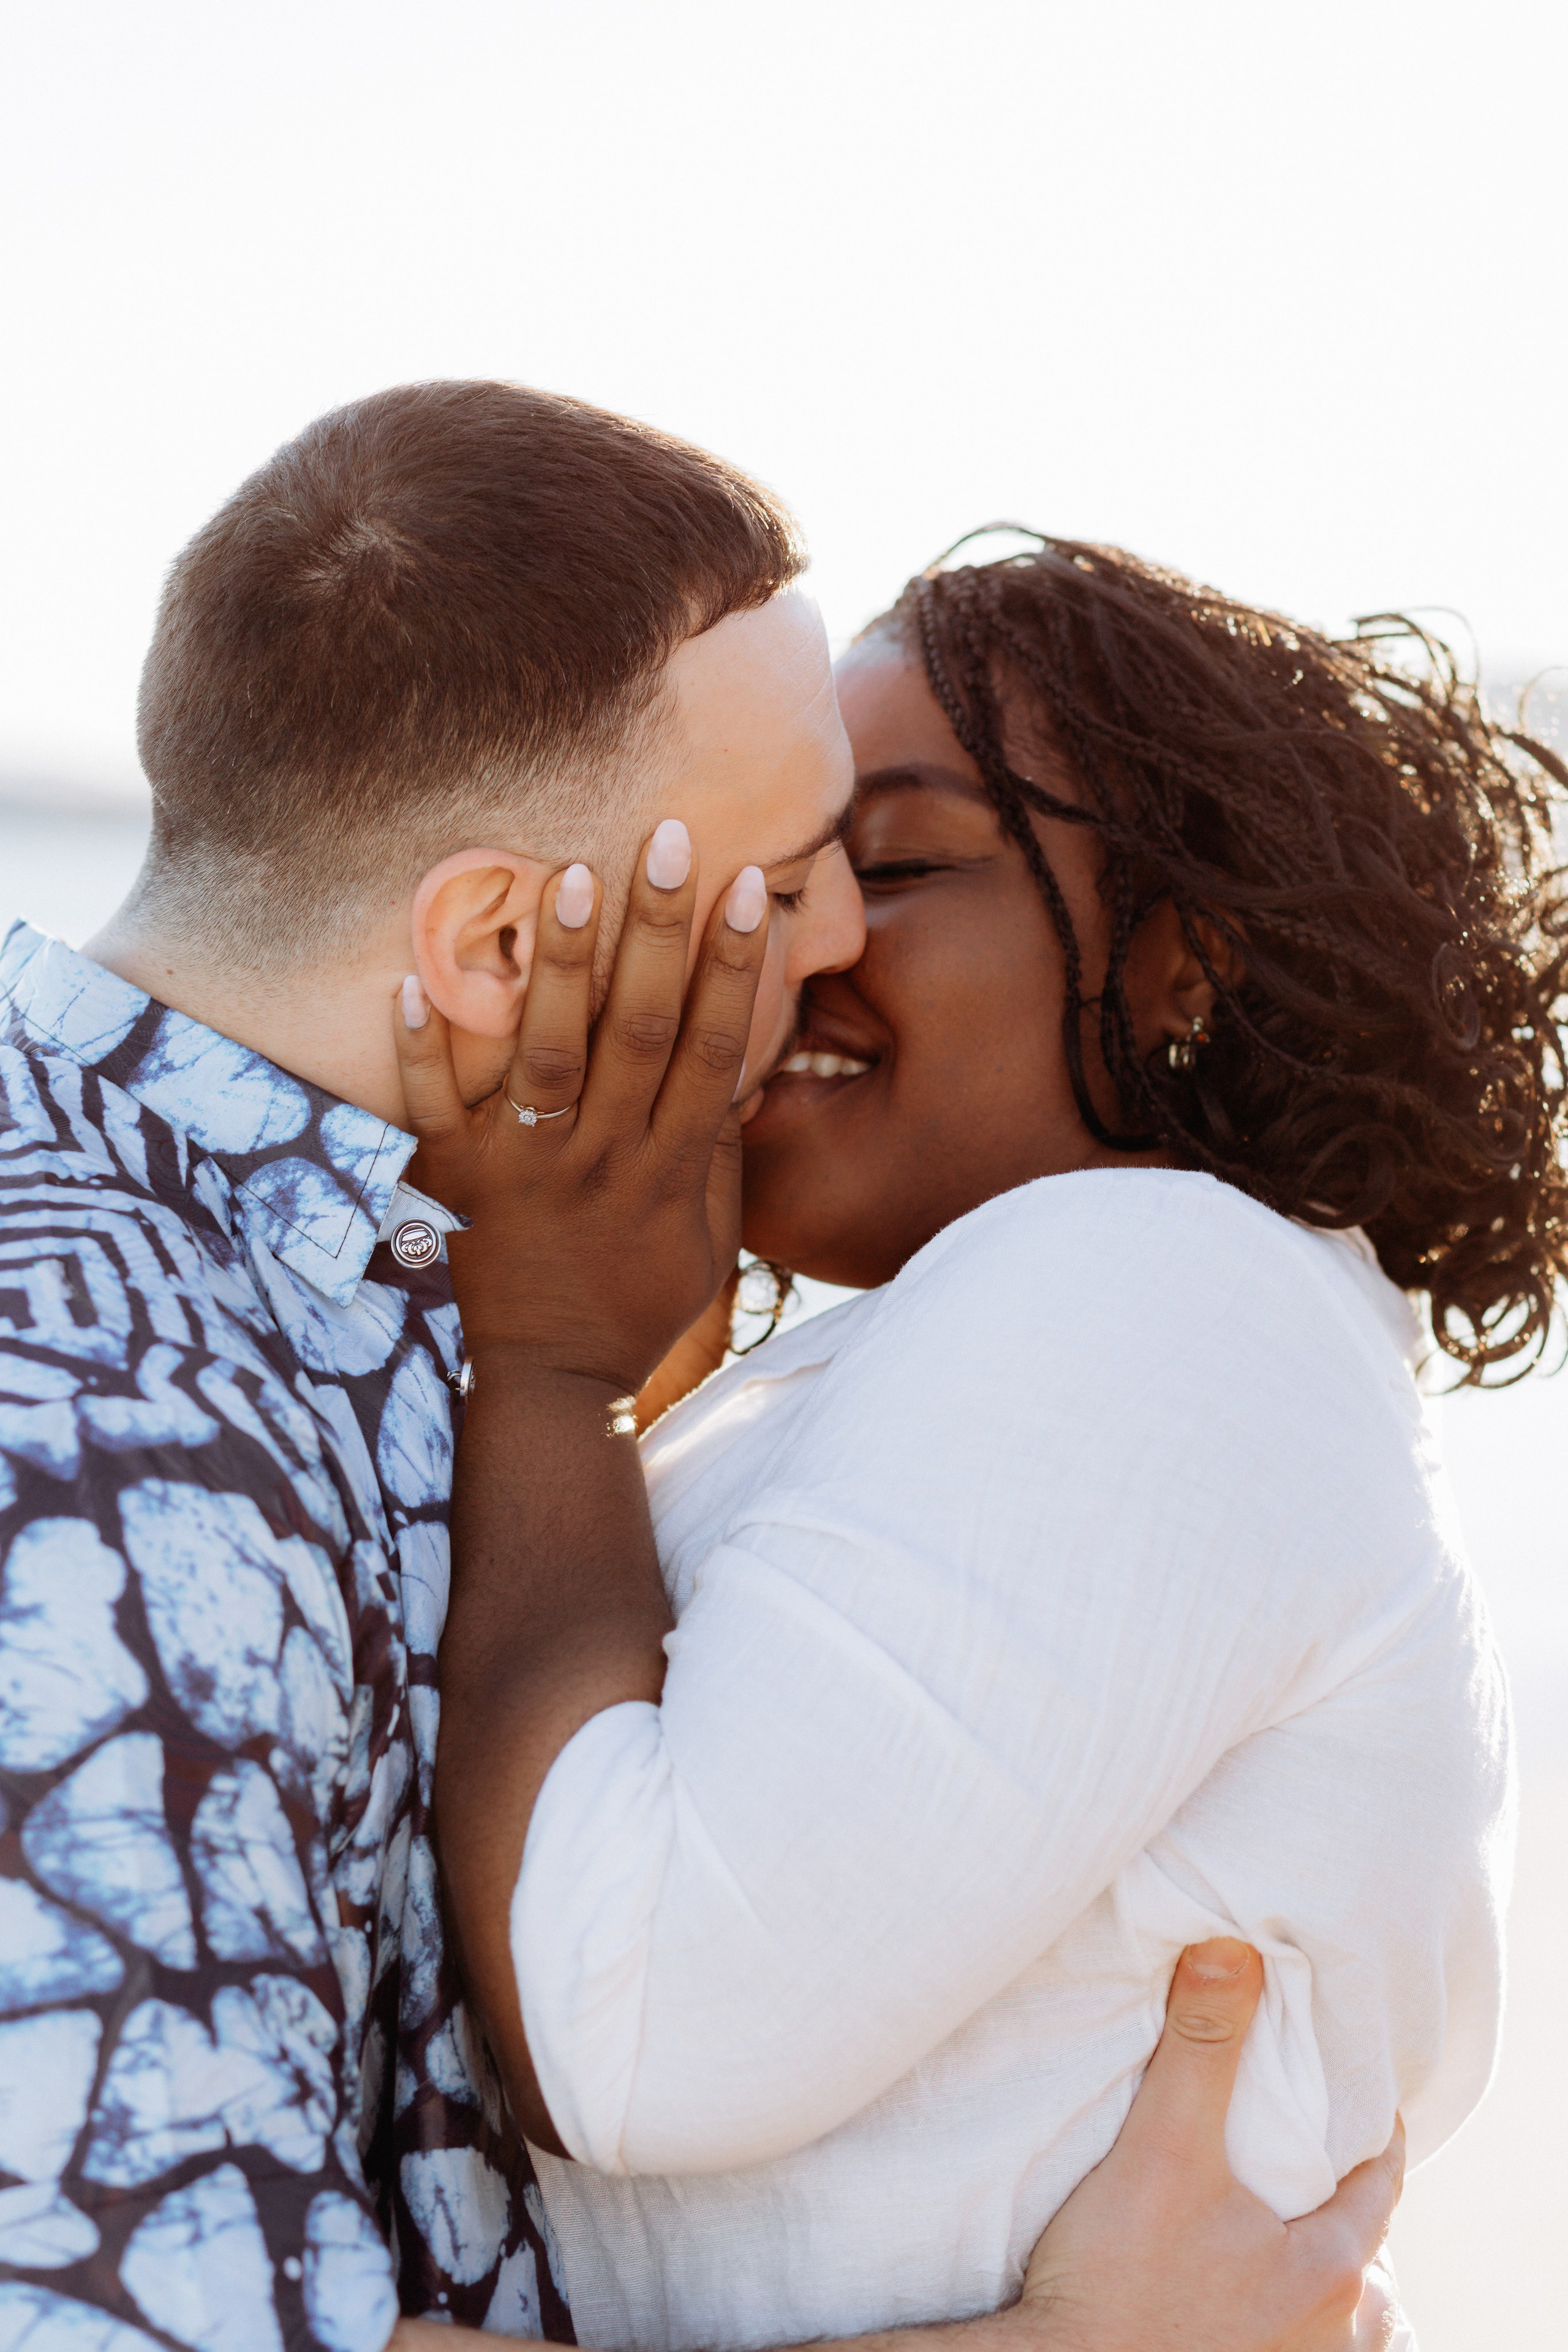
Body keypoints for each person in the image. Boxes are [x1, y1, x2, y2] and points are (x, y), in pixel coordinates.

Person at [0, 387, 1394, 2352]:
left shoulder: (343, 1274)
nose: (834, 941)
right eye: (803, 864)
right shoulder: (110, 1453)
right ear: (497, 943)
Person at [407, 541, 1568, 2352]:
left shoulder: (1158, 1287)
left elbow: (627, 2017)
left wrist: (544, 1361)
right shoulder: (1095, 1328)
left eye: (895, 863)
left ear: (1185, 963)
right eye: (775, 876)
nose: (801, 938)